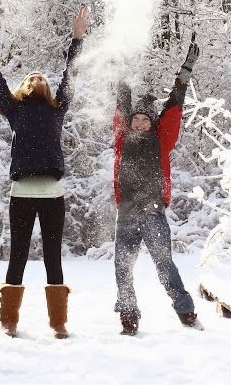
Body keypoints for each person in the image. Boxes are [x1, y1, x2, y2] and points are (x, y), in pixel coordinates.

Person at [0, 6, 89, 338]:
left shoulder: (58, 108)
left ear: (47, 89)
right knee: (18, 256)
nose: (37, 78)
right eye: (31, 78)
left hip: (52, 195)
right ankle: (9, 320)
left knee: (53, 257)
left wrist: (78, 37)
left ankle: (59, 322)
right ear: (23, 88)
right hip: (21, 195)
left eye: (42, 78)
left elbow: (71, 73)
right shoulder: (14, 109)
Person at [112, 43, 201, 335]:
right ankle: (128, 316)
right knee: (123, 268)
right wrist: (119, 53)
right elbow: (122, 95)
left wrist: (184, 73)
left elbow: (174, 107)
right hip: (126, 213)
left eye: (144, 119)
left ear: (152, 123)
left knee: (165, 265)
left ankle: (186, 311)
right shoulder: (122, 136)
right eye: (135, 118)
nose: (139, 122)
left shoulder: (161, 139)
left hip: (152, 212)